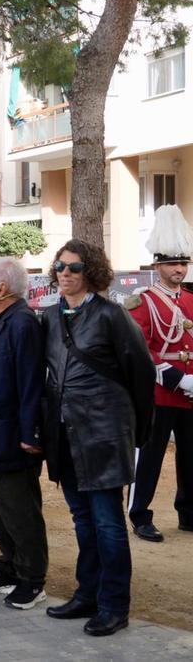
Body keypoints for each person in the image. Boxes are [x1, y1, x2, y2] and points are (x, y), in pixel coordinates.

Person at [41, 239, 153, 637]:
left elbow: (140, 375)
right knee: (82, 521)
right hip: (65, 435)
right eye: (60, 266)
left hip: (104, 435)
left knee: (108, 524)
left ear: (91, 272)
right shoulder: (50, 318)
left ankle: (113, 605)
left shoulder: (112, 316)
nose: (65, 273)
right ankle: (87, 594)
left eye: (74, 267)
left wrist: (136, 434)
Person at [0, 258, 50, 610]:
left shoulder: (22, 323)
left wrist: (30, 434)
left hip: (13, 437)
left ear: (1, 288)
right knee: (0, 510)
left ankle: (32, 578)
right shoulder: (0, 320)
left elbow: (32, 383)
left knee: (20, 511)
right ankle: (10, 567)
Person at [126, 205, 193, 541]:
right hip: (161, 392)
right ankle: (140, 515)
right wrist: (178, 378)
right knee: (149, 459)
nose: (179, 268)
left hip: (192, 394)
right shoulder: (143, 302)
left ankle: (189, 513)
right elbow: (141, 350)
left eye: (183, 262)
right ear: (157, 265)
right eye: (172, 262)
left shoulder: (192, 302)